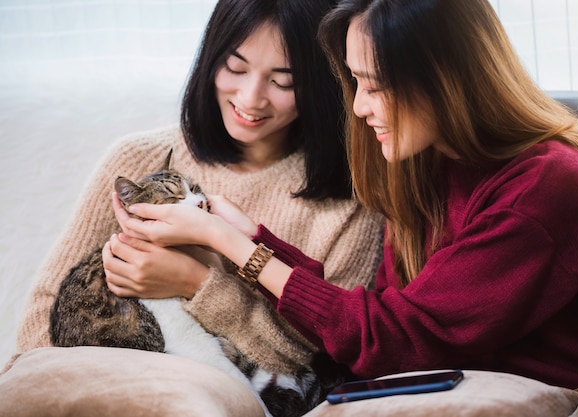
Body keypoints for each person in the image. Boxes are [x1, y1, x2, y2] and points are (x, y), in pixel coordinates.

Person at [112, 0, 578, 415]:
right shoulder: (425, 164)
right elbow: (378, 323)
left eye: (376, 86)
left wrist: (232, 245)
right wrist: (254, 238)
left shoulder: (549, 187)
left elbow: (400, 344)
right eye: (355, 82)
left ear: (448, 80)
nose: (358, 106)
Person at [14, 0, 385, 381]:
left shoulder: (353, 199)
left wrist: (198, 285)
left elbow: (320, 360)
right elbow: (41, 317)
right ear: (210, 58)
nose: (251, 98)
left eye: (282, 81)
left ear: (321, 82)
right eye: (235, 67)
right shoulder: (140, 161)